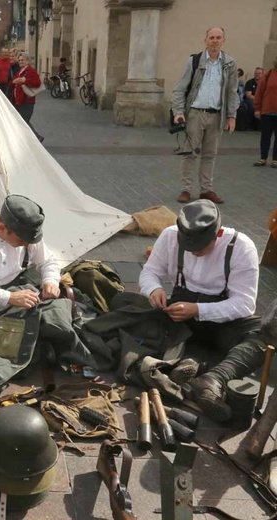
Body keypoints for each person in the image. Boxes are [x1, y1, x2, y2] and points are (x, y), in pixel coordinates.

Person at [139, 199, 265, 422]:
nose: (194, 251)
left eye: (200, 247)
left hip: (223, 325)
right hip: (180, 321)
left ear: (217, 234)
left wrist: (198, 309)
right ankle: (197, 363)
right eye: (188, 246)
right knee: (126, 303)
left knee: (264, 334)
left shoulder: (241, 247)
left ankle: (212, 376)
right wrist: (154, 289)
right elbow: (149, 272)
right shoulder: (170, 236)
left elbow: (245, 304)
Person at [171, 27, 239, 205]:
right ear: (205, 41)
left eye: (218, 37)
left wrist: (232, 116)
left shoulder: (230, 63)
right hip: (195, 114)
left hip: (216, 115)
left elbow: (232, 92)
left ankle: (206, 190)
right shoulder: (194, 61)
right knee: (189, 153)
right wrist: (178, 112)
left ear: (223, 40)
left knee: (210, 155)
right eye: (211, 37)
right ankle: (186, 189)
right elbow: (179, 88)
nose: (215, 41)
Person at [10, 53, 44, 142]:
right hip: (19, 100)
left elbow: (37, 83)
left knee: (23, 120)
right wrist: (13, 82)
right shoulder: (21, 71)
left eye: (22, 60)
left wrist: (25, 80)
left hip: (27, 100)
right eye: (20, 60)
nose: (20, 62)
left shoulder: (30, 70)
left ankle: (36, 137)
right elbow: (13, 82)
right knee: (23, 120)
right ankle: (34, 137)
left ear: (27, 61)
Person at [254, 62, 277, 167]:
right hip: (267, 111)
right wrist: (257, 108)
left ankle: (275, 159)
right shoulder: (268, 75)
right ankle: (263, 158)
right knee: (265, 136)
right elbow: (259, 92)